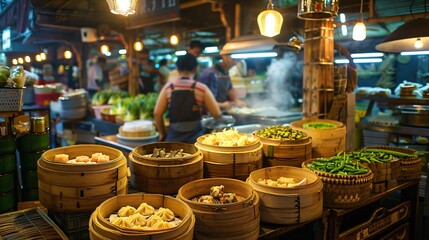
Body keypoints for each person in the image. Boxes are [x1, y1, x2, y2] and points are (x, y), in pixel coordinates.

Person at [154, 53, 221, 143]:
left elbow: (157, 113)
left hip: (173, 140)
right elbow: (216, 113)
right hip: (196, 141)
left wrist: (163, 133)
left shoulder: (168, 88)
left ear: (177, 68)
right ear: (196, 68)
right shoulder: (201, 88)